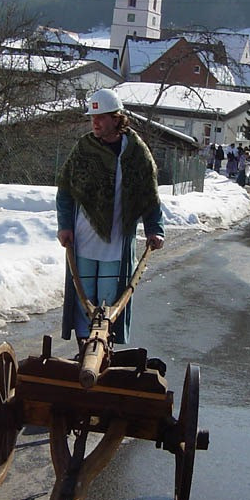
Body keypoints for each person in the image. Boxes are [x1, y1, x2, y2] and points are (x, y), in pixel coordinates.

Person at [56, 88, 164, 345]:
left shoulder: (136, 152)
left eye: (101, 117)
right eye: (92, 117)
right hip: (84, 236)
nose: (95, 122)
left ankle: (104, 347)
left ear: (116, 118)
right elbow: (66, 191)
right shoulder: (84, 148)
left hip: (117, 239)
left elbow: (149, 194)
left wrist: (154, 228)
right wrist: (64, 225)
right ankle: (85, 349)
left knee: (110, 297)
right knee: (85, 296)